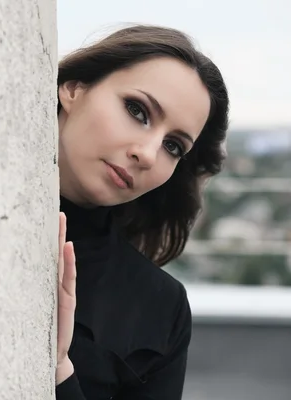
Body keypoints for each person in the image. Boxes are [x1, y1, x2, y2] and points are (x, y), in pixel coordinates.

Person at [54, 25, 229, 399]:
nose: (148, 154)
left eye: (173, 146)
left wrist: (59, 371)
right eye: (137, 110)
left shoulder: (160, 307)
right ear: (74, 87)